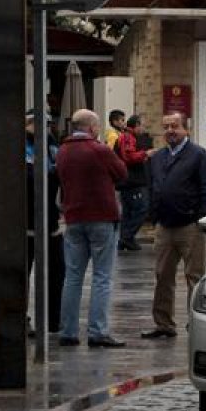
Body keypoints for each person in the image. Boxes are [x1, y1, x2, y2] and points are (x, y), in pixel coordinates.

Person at [55, 109, 128, 347]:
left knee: (73, 276)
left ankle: (68, 331)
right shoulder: (99, 150)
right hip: (102, 218)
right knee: (102, 277)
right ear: (92, 128)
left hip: (73, 218)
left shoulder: (63, 151)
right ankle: (97, 332)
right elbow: (122, 173)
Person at [143, 111, 206, 339]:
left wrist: (201, 218)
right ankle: (163, 324)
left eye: (175, 126)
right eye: (166, 127)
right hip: (165, 226)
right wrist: (153, 215)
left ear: (186, 129)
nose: (170, 131)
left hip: (190, 227)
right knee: (162, 276)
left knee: (194, 277)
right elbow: (152, 186)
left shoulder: (199, 155)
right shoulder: (157, 157)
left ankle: (195, 324)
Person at [26, 111, 63, 336]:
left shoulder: (53, 148)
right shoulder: (20, 147)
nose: (42, 128)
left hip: (51, 223)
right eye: (35, 123)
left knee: (58, 272)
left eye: (47, 124)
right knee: (22, 274)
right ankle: (21, 318)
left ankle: (53, 321)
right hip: (24, 224)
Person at [114, 114, 156, 251]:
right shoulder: (128, 137)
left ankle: (126, 239)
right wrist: (146, 154)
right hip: (133, 181)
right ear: (136, 125)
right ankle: (126, 237)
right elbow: (129, 157)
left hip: (128, 181)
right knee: (142, 209)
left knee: (128, 212)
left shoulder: (128, 136)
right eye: (142, 125)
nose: (144, 129)